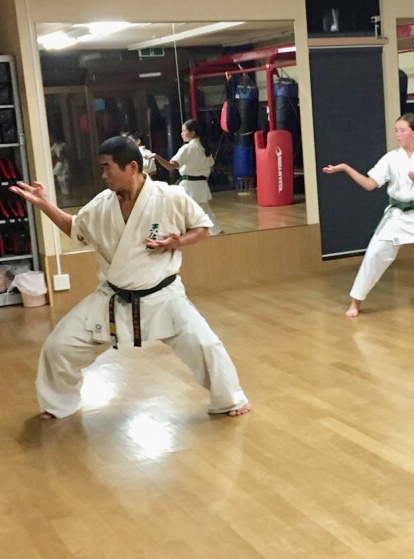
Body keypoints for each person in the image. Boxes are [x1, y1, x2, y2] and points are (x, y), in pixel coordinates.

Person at [10, 136, 250, 419]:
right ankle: (58, 403)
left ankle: (230, 400)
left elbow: (202, 227)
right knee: (58, 346)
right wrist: (44, 204)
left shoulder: (169, 197)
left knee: (205, 345)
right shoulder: (101, 205)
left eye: (107, 167)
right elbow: (75, 228)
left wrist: (179, 241)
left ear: (132, 167)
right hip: (113, 296)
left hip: (163, 295)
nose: (103, 175)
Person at [323, 113, 414, 317]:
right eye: (396, 130)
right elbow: (370, 184)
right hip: (397, 216)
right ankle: (356, 302)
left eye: (402, 130)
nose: (398, 134)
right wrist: (346, 168)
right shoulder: (391, 158)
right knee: (374, 255)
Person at [148, 119, 223, 235]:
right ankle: (217, 233)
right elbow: (210, 166)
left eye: (184, 131)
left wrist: (157, 157)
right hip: (201, 186)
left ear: (192, 133)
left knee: (173, 210)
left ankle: (160, 234)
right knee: (204, 212)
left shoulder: (188, 148)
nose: (181, 134)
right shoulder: (204, 148)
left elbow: (171, 166)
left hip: (189, 187)